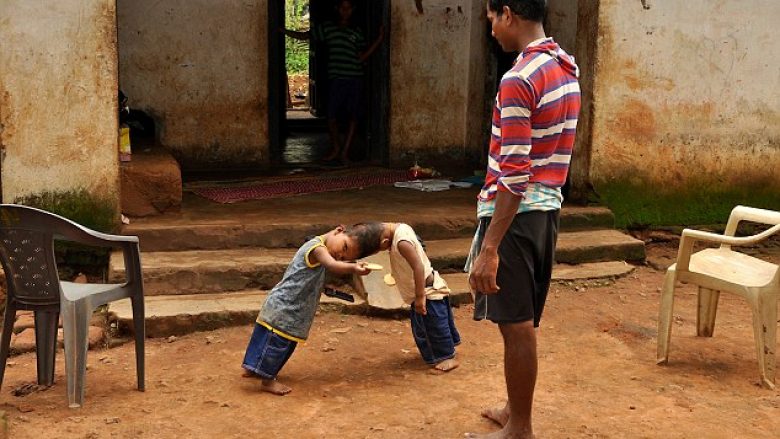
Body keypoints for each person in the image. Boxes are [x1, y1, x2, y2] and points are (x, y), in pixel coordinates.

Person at [465, 1, 581, 438]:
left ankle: (521, 428)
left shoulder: (518, 80)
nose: (491, 28)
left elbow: (514, 176)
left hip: (515, 218)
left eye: (492, 18)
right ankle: (514, 410)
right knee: (518, 321)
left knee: (517, 329)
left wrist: (490, 246)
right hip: (545, 213)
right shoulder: (565, 68)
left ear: (508, 14)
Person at [241, 223, 381, 395]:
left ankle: (252, 367)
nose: (340, 255)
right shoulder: (317, 249)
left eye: (344, 258)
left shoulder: (321, 250)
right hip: (286, 307)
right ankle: (268, 380)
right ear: (339, 230)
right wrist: (353, 267)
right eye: (344, 247)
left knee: (264, 338)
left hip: (281, 304)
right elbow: (332, 265)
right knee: (278, 344)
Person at [283, 0, 384, 164]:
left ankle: (345, 152)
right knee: (330, 115)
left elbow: (361, 57)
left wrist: (379, 40)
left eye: (348, 8)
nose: (345, 11)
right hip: (336, 79)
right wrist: (282, 30)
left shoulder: (356, 32)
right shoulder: (328, 29)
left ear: (352, 10)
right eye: (342, 8)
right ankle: (336, 147)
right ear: (337, 9)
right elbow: (306, 36)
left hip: (354, 78)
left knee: (354, 116)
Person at [372, 222, 461, 372]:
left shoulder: (401, 243)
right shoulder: (402, 229)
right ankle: (447, 348)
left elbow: (418, 266)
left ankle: (446, 357)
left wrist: (420, 297)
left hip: (426, 293)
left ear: (385, 242)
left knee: (433, 327)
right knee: (435, 324)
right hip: (429, 287)